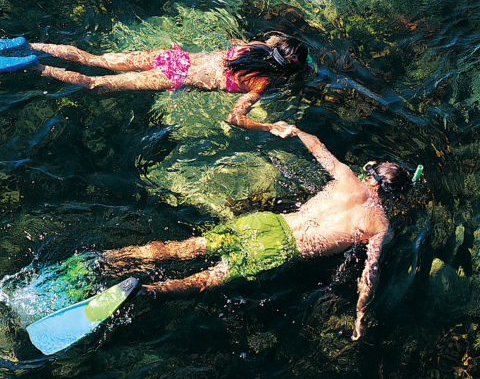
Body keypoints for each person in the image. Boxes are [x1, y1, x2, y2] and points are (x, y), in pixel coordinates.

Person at [103, 125, 413, 340]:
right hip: (281, 249)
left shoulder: (346, 175)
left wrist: (292, 129)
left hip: (266, 222)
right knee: (211, 277)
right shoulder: (380, 225)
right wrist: (360, 313)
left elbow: (316, 143)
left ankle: (113, 256)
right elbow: (369, 272)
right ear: (392, 194)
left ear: (372, 173)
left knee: (191, 246)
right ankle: (147, 290)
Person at [0, 32, 309, 132]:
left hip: (174, 58)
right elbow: (235, 116)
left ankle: (28, 45)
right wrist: (270, 127)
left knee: (92, 59)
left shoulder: (251, 48)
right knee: (94, 84)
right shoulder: (262, 83)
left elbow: (266, 38)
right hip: (176, 76)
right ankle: (36, 68)